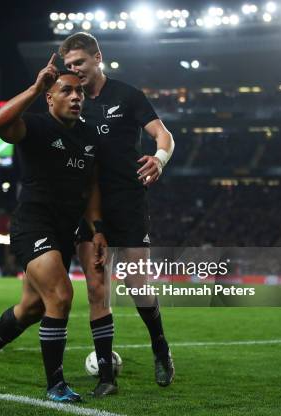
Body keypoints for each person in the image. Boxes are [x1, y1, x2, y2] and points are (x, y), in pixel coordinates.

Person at [0, 57, 106, 403]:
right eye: (66, 91)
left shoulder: (89, 135)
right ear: (50, 98)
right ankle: (55, 385)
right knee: (60, 295)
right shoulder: (37, 127)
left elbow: (93, 187)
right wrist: (35, 86)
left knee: (32, 308)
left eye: (79, 92)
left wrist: (97, 228)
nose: (76, 97)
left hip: (65, 231)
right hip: (33, 225)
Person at [60, 32, 176, 395]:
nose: (74, 71)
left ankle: (160, 346)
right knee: (97, 288)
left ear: (97, 57)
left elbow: (164, 135)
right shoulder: (71, 101)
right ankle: (107, 375)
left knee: (137, 285)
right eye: (68, 66)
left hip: (127, 201)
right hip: (87, 206)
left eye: (79, 62)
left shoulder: (127, 96)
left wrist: (159, 159)